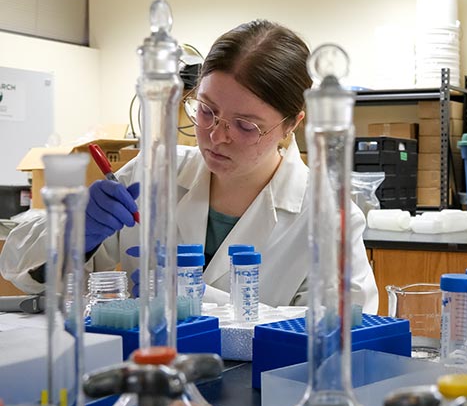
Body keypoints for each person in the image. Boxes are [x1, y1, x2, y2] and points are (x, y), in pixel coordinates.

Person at [0, 20, 378, 313]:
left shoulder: (330, 214)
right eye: (207, 110)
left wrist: (194, 300)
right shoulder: (152, 173)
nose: (217, 135)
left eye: (246, 125)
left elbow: (342, 332)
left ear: (291, 125)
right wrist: (73, 230)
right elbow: (18, 268)